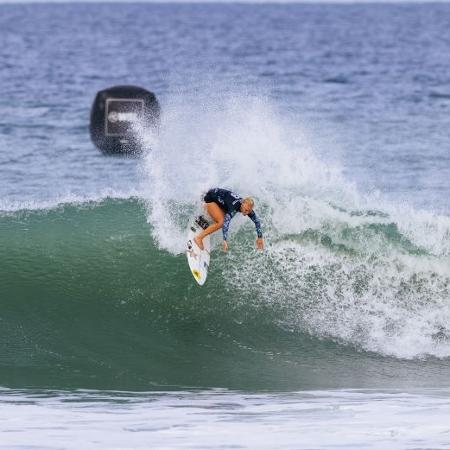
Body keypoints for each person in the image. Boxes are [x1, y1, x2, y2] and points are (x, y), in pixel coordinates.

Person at [194, 188, 264, 252]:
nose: (247, 213)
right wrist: (224, 240)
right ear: (242, 204)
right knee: (221, 222)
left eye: (249, 211)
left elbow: (257, 221)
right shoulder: (234, 207)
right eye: (246, 210)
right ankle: (198, 238)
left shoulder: (246, 206)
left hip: (217, 199)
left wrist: (260, 237)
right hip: (209, 197)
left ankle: (204, 218)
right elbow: (225, 223)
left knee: (223, 215)